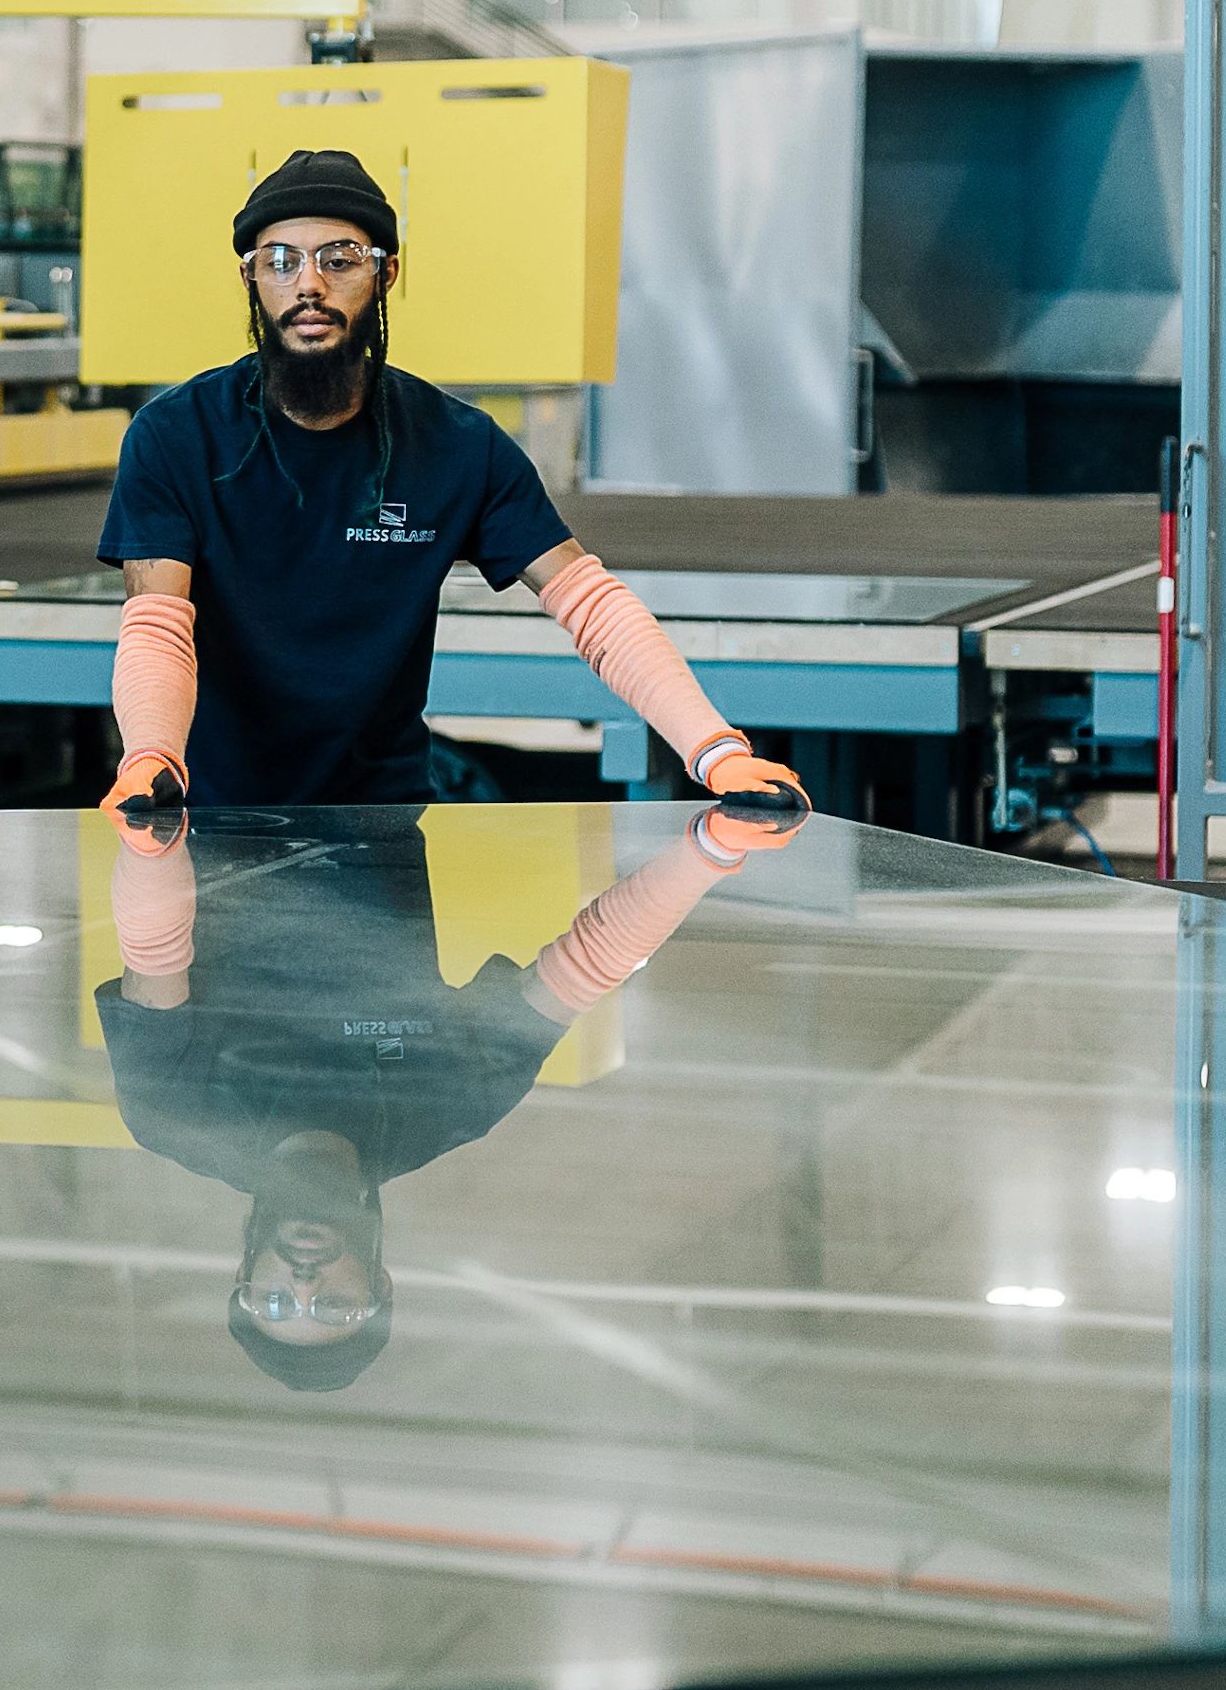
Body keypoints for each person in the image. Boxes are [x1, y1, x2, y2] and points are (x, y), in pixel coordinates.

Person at [95, 146, 809, 826]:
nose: (308, 282)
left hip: (383, 825)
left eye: (339, 259)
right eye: (280, 261)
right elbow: (159, 624)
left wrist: (715, 749)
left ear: (386, 271)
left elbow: (590, 604)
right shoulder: (176, 437)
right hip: (209, 819)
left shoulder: (456, 446)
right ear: (252, 278)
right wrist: (152, 756)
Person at [105, 800, 780, 1389]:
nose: (303, 1285)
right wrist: (710, 850)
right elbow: (583, 965)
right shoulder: (449, 1108)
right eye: (335, 1307)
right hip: (370, 771)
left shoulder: (174, 1116)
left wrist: (152, 835)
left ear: (245, 1279)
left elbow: (155, 950)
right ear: (379, 1285)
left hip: (212, 780)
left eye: (276, 1305)